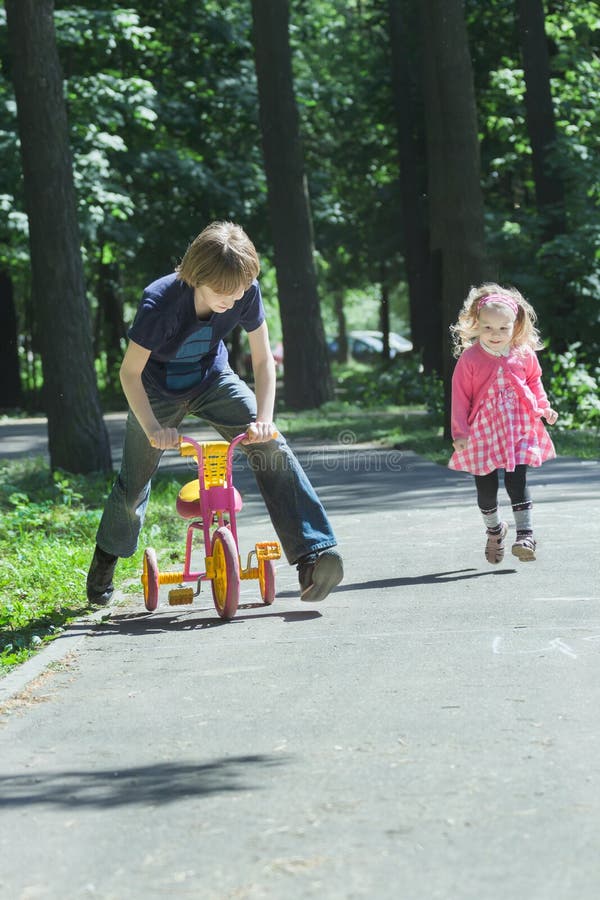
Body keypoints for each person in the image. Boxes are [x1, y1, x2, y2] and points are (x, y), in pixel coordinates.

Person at [87, 221, 343, 605]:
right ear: (196, 277)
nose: (233, 298)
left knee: (271, 447)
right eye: (223, 292)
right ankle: (106, 557)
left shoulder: (245, 290)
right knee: (134, 481)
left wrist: (265, 419)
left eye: (240, 290)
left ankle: (313, 556)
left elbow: (262, 360)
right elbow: (129, 373)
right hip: (156, 391)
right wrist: (154, 427)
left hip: (213, 380)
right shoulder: (160, 302)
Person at [448, 283, 558, 564]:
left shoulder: (523, 354)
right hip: (482, 431)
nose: (495, 335)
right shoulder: (470, 359)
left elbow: (535, 382)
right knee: (486, 489)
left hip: (517, 427)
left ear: (515, 325)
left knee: (516, 479)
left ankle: (526, 535)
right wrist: (460, 433)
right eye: (487, 328)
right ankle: (495, 530)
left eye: (502, 329)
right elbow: (460, 398)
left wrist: (544, 408)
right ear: (477, 324)